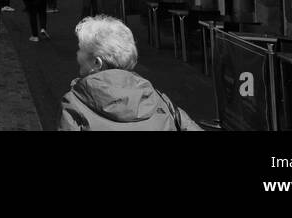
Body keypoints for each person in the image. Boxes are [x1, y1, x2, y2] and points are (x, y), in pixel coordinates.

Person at [60, 15, 203, 131]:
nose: (78, 54)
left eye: (81, 49)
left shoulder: (75, 104)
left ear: (97, 63)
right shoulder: (160, 100)